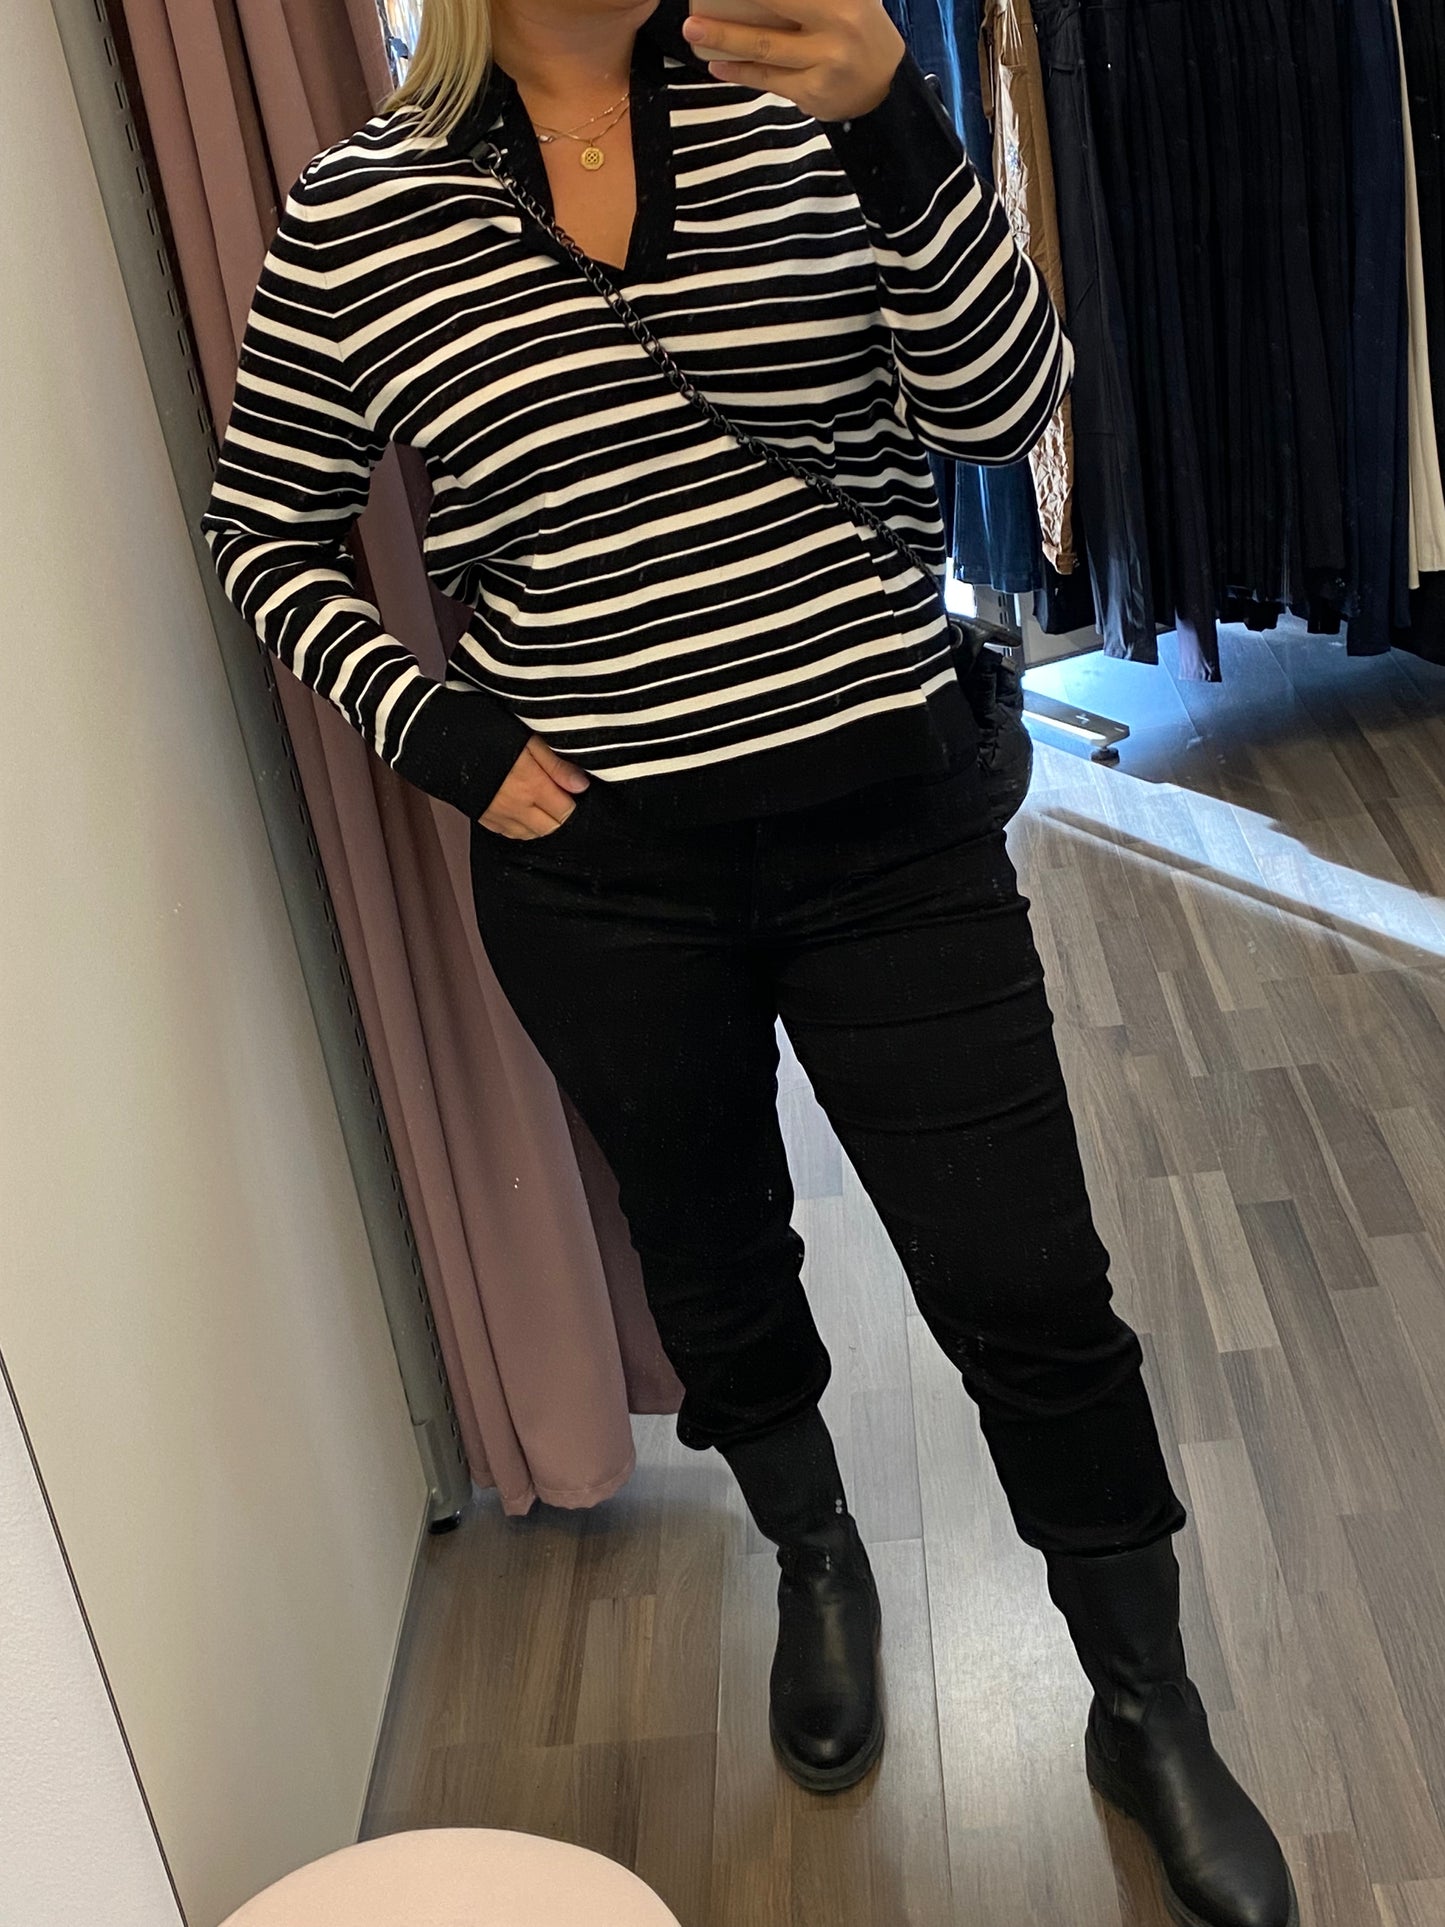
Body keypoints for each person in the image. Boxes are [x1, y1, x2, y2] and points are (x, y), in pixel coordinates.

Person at [201, 2, 1296, 1921]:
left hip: (889, 822)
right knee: (709, 1247)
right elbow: (264, 531)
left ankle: (1145, 1698)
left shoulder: (821, 97)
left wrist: (894, 124)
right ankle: (816, 1556)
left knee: (1027, 1278)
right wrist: (444, 734)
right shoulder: (365, 203)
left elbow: (999, 406)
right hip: (605, 875)